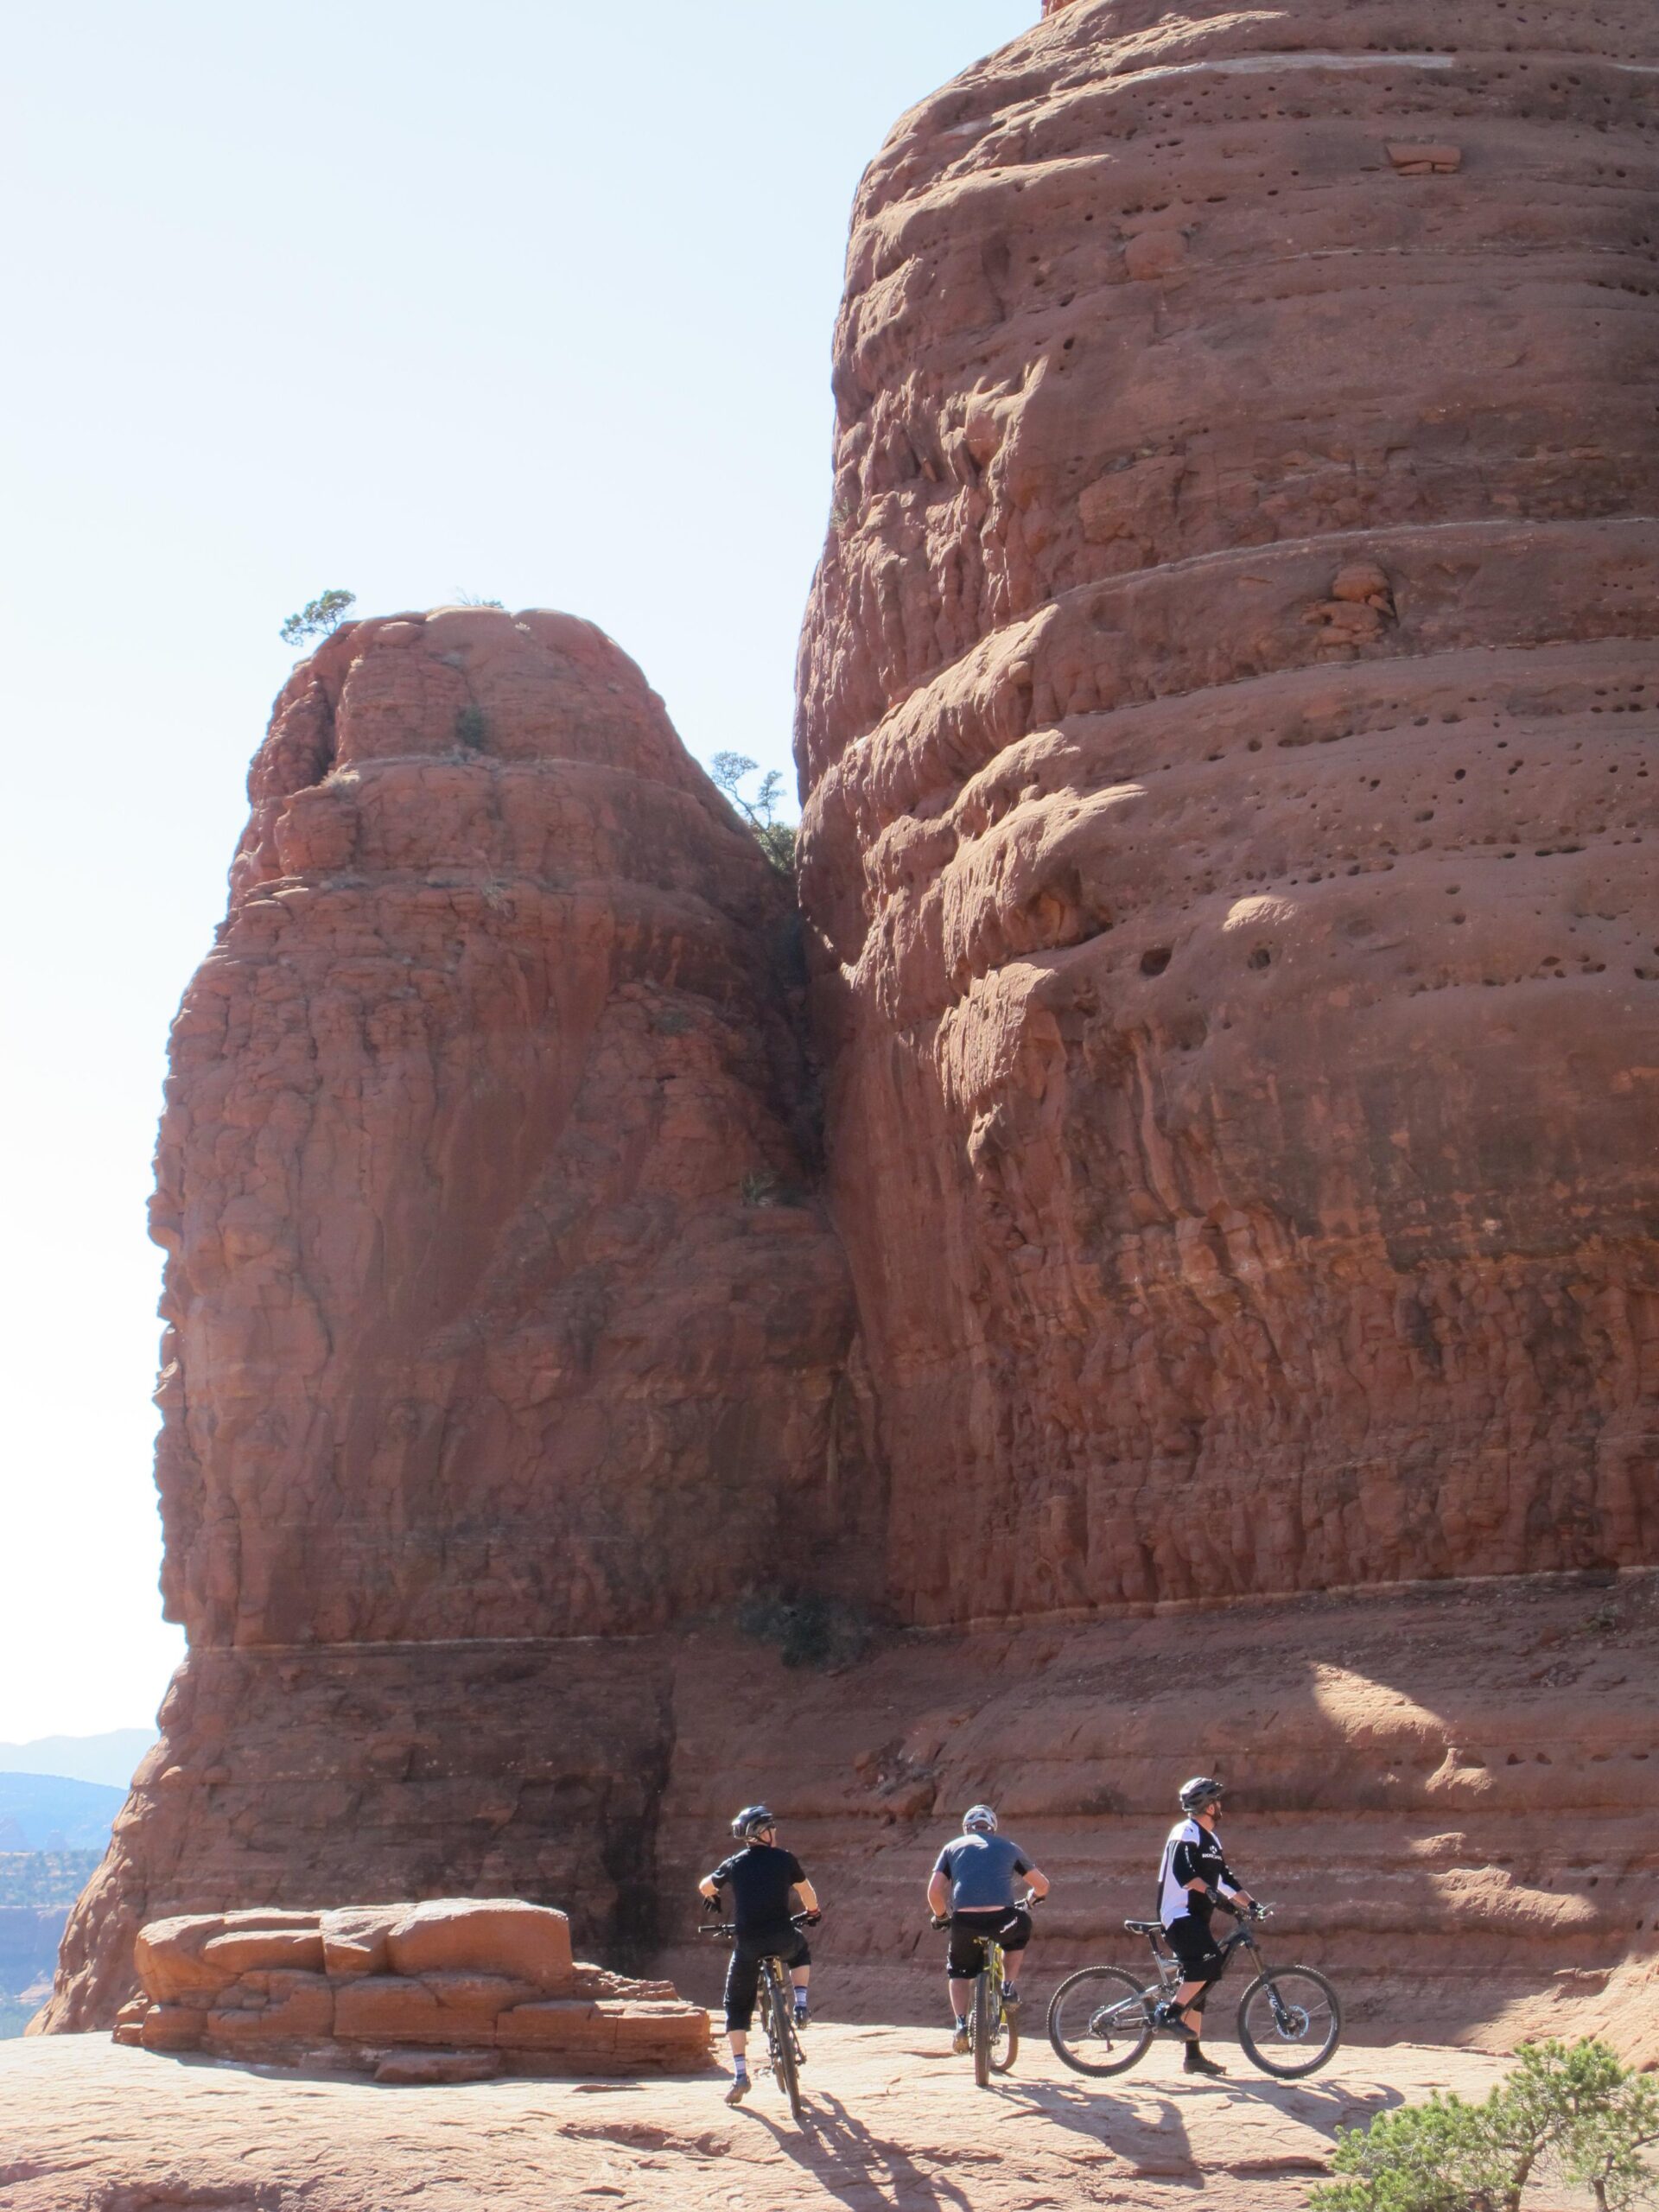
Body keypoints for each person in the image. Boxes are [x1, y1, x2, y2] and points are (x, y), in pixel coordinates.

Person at [699, 1803, 820, 2106]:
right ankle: (801, 2003)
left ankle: (740, 2074)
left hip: (749, 1944)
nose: (775, 1833)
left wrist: (713, 1895)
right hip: (782, 1936)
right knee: (800, 1950)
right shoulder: (784, 1859)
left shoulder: (734, 1863)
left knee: (736, 2005)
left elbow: (704, 1886)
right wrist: (813, 1912)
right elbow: (806, 1891)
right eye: (771, 1828)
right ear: (762, 1833)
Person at [1154, 1775, 1258, 2079]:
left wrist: (1251, 1905)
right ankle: (1169, 2014)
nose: (1220, 1806)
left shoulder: (1211, 1840)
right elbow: (1183, 1872)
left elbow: (1225, 1879)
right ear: (1209, 1806)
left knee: (1202, 1981)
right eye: (1217, 1801)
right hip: (1177, 1915)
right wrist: (1213, 1895)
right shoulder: (1184, 1831)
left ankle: (1194, 2057)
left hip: (1196, 1919)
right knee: (1210, 1963)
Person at [925, 1802, 1050, 2053]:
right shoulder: (1008, 1847)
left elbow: (934, 1891)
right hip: (1002, 1919)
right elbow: (1043, 1885)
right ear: (992, 1828)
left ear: (966, 1828)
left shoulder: (952, 1847)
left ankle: (961, 2025)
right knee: (1020, 1929)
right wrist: (1031, 1900)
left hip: (965, 1923)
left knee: (959, 1971)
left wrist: (941, 1917)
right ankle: (1008, 1989)